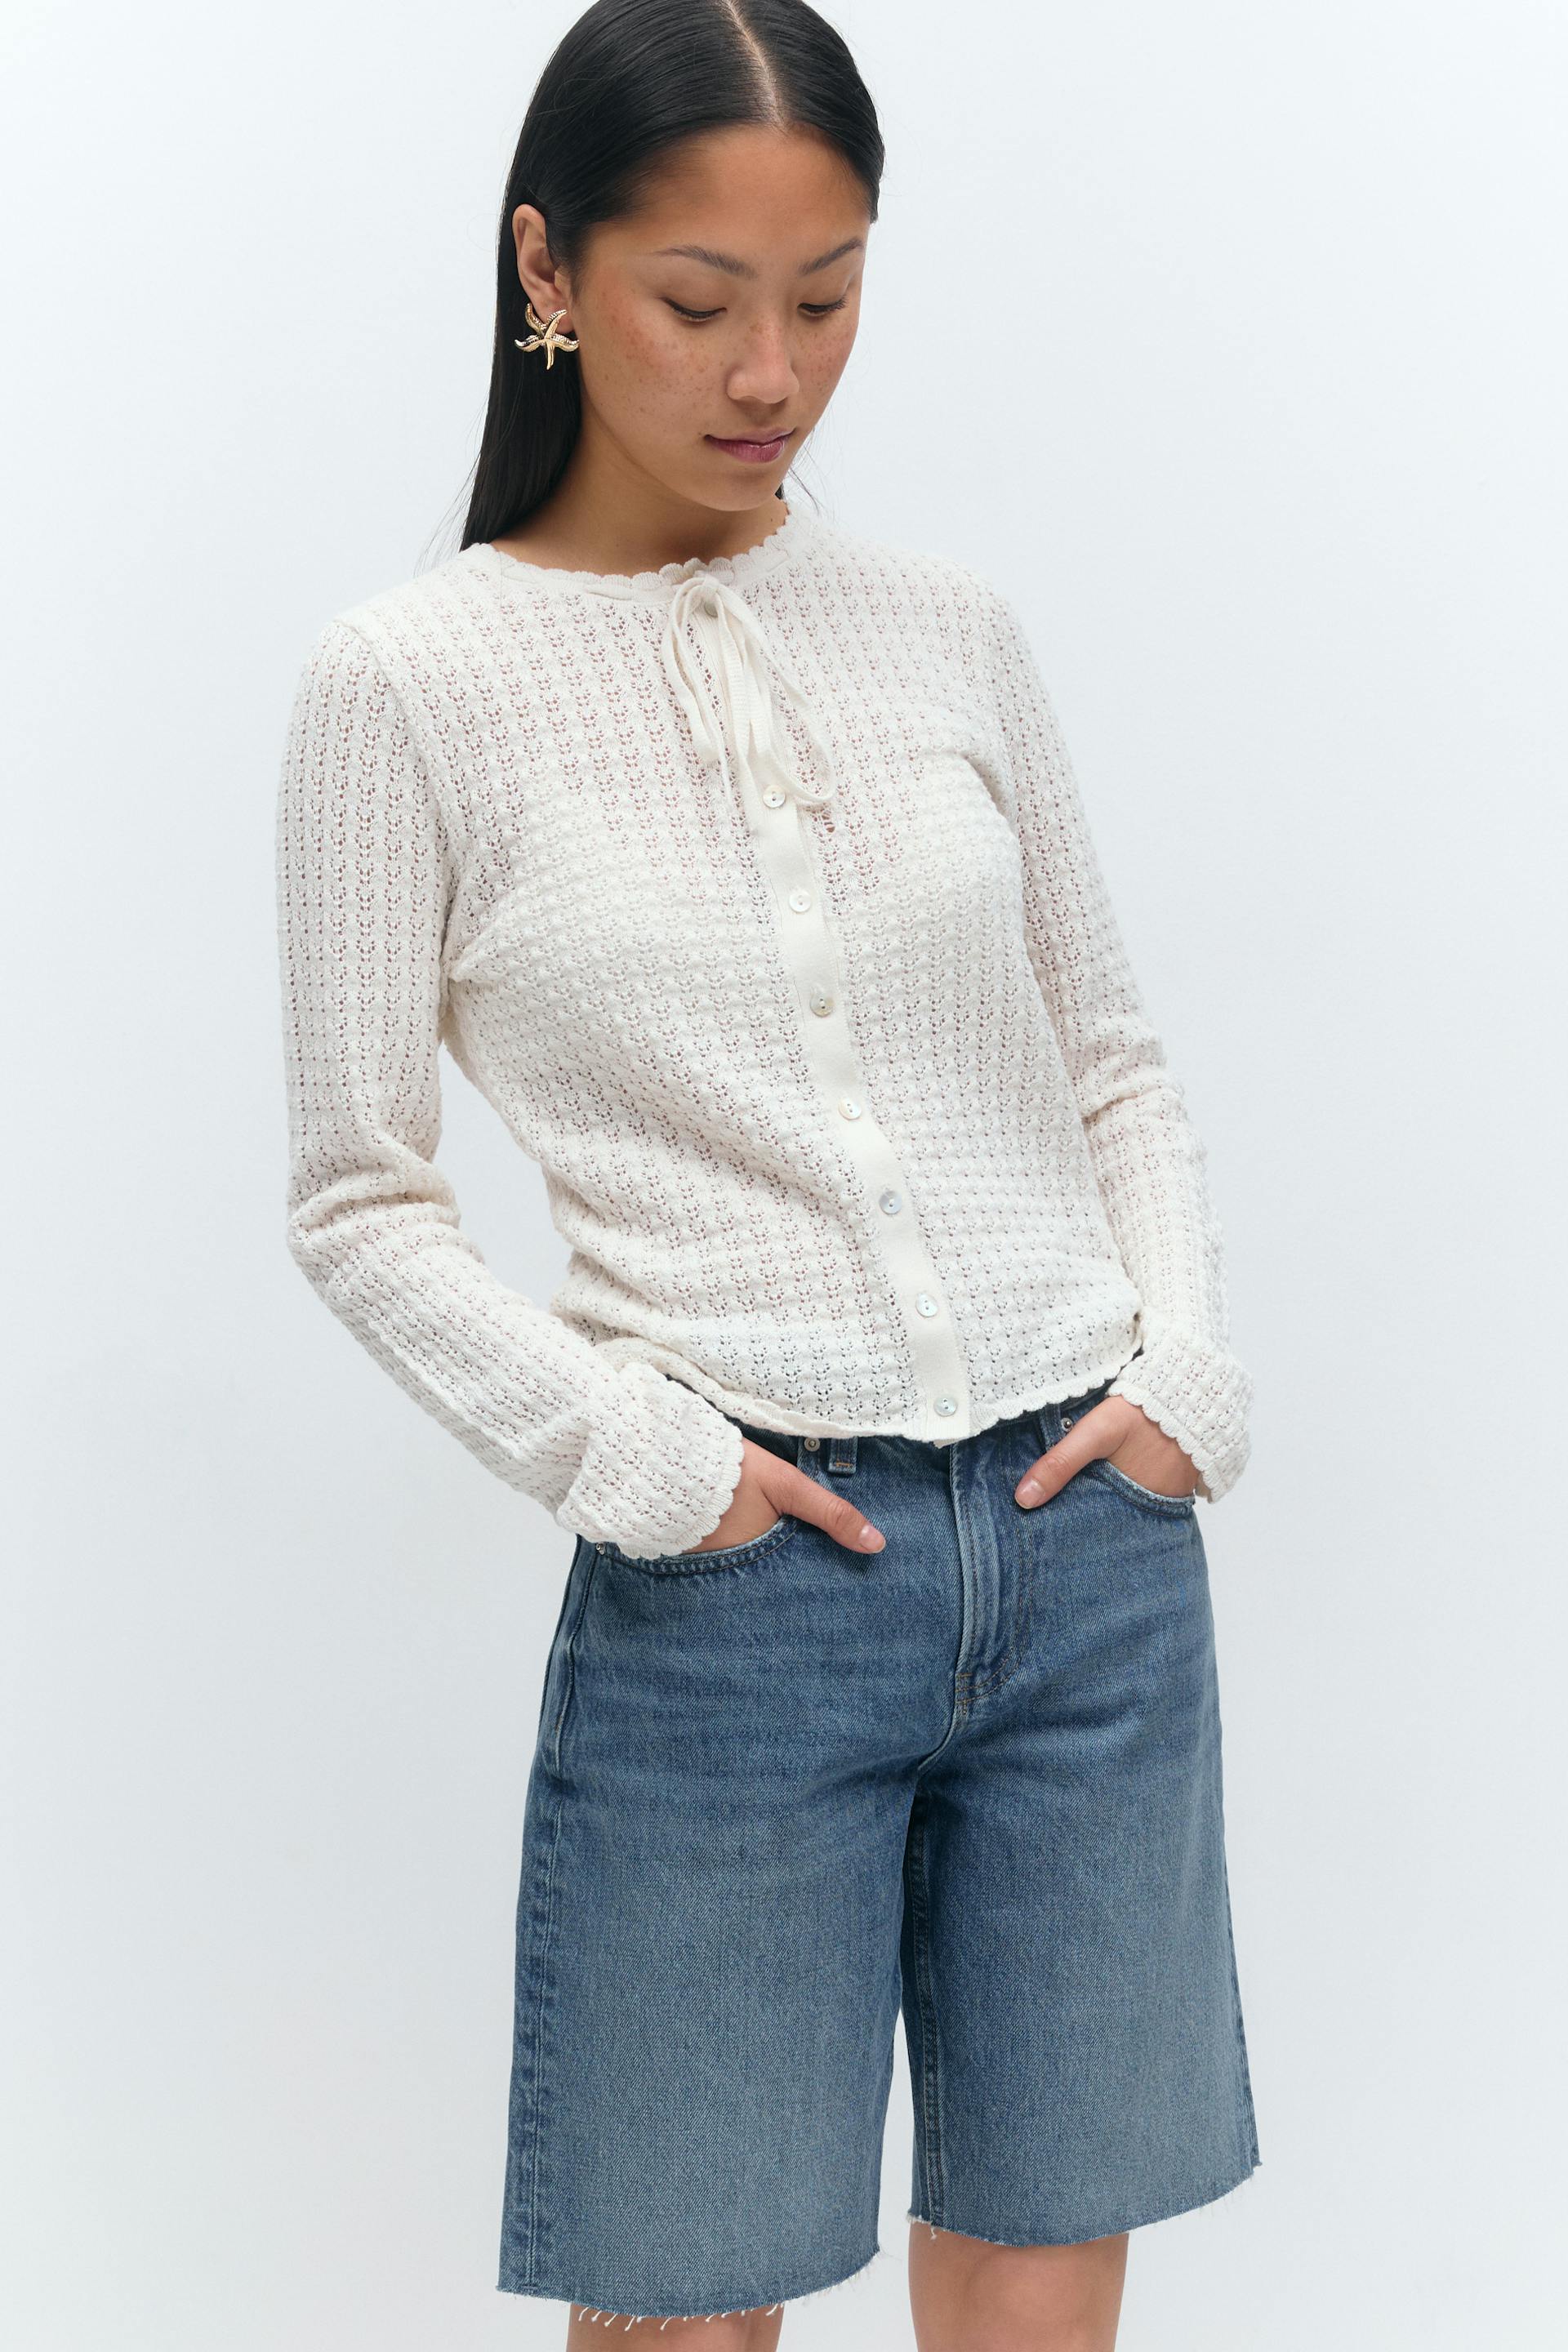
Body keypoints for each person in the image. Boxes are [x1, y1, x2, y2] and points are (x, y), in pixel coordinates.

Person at [274, 1, 1261, 2342]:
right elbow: (355, 1195)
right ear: (548, 268)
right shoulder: (405, 685)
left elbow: (1112, 1057)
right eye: (699, 301)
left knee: (1045, 2262)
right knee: (689, 2294)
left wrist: (1186, 1379)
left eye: (827, 297)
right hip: (739, 1590)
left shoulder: (950, 631)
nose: (771, 373)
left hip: (1089, 1549)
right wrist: (643, 1462)